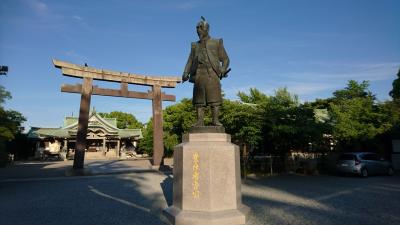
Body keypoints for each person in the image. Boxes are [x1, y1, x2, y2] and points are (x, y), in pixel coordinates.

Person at [182, 17, 230, 127]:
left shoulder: (216, 42)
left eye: (200, 27)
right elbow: (190, 60)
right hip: (199, 74)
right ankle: (199, 121)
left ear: (206, 29)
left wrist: (223, 69)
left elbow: (226, 59)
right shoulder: (195, 45)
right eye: (197, 28)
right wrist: (185, 73)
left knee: (214, 98)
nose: (198, 30)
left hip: (212, 74)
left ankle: (215, 120)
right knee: (199, 100)